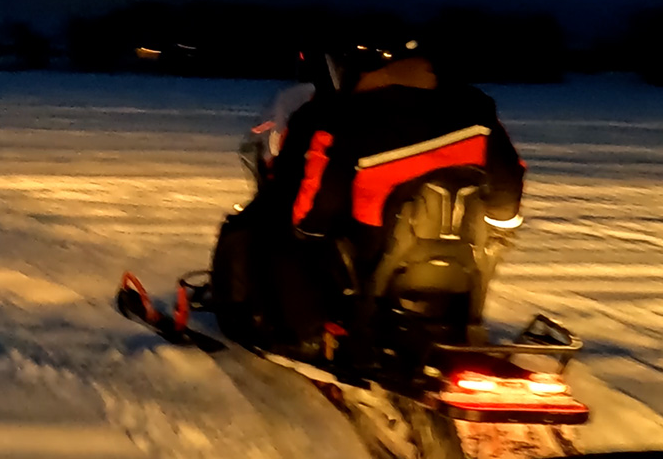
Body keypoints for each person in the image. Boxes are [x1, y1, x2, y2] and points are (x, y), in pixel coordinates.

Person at [211, 34, 526, 362]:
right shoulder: (476, 108)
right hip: (463, 250)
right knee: (489, 239)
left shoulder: (342, 116)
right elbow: (509, 179)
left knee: (287, 235)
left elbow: (319, 202)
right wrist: (500, 226)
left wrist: (307, 230)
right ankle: (457, 321)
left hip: (378, 248)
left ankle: (302, 333)